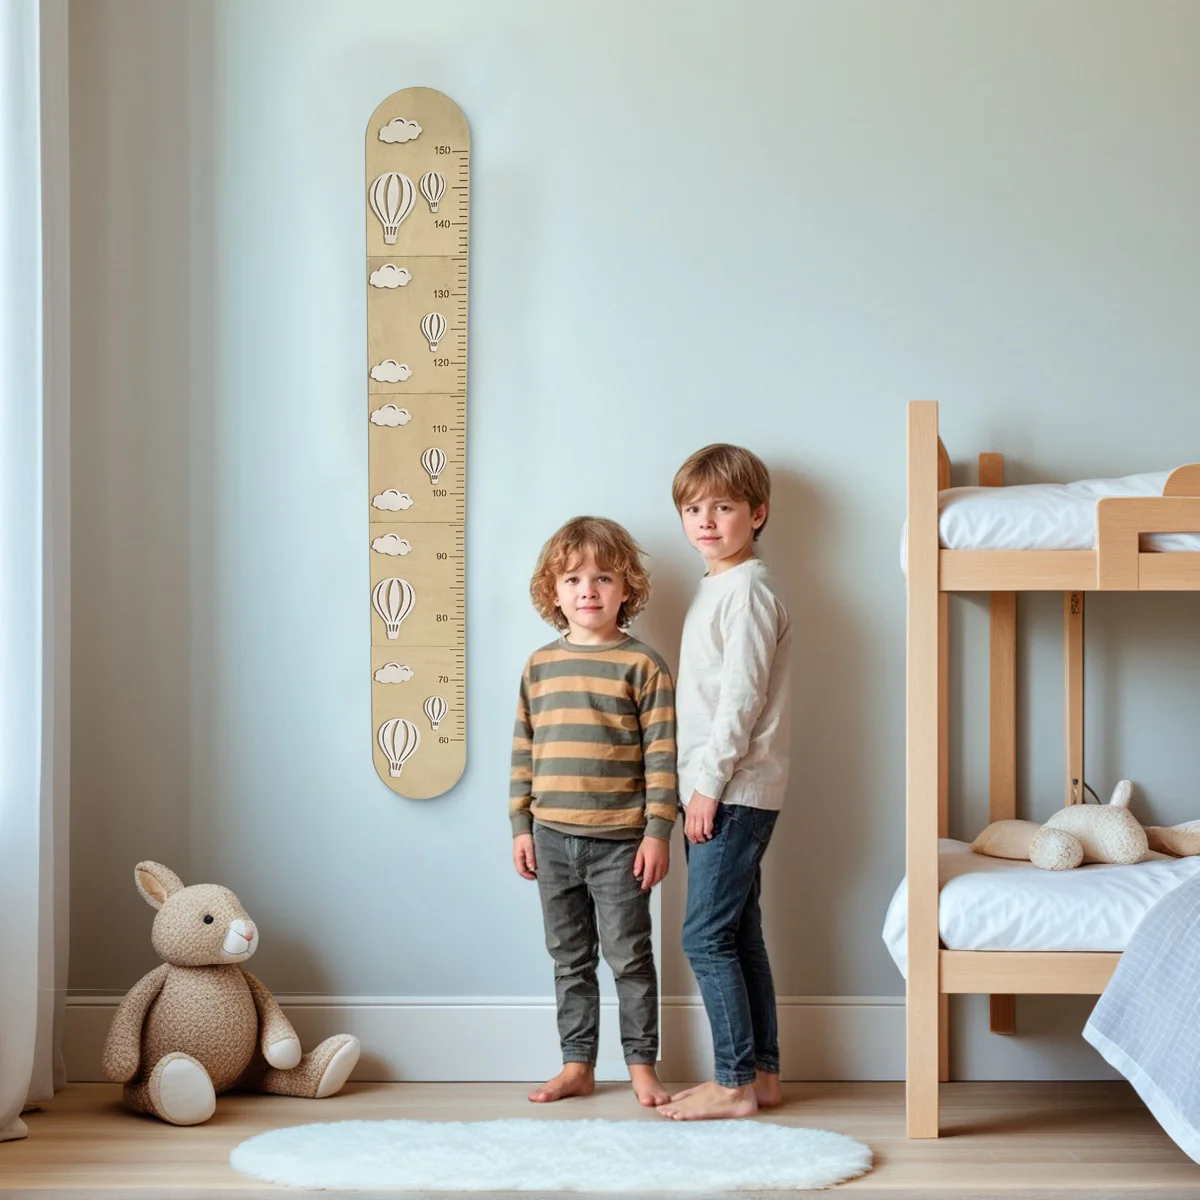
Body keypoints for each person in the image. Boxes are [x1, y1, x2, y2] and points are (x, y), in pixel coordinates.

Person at [511, 516, 677, 1107]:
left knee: (630, 958)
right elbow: (523, 751)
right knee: (569, 960)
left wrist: (658, 833)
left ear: (625, 588)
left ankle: (641, 1067)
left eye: (603, 578)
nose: (588, 590)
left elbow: (662, 758)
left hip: (621, 843)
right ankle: (576, 1064)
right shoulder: (538, 666)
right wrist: (520, 827)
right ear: (553, 591)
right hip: (551, 837)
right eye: (574, 578)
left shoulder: (643, 666)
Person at [658, 445, 792, 1121]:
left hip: (731, 789)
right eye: (693, 508)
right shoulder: (721, 586)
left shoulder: (749, 589)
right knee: (738, 932)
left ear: (757, 513)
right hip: (727, 786)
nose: (706, 520)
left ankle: (734, 1082)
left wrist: (705, 787)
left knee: (704, 937)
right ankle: (762, 1074)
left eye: (724, 507)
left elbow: (741, 698)